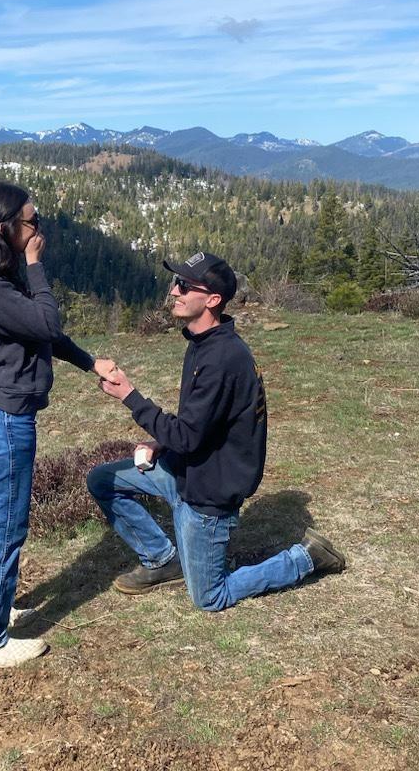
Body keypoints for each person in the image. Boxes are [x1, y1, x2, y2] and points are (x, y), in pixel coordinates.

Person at [87, 251, 345, 611]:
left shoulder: (223, 358)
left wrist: (129, 396)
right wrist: (162, 442)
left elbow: (188, 436)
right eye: (176, 282)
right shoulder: (203, 342)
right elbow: (200, 424)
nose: (174, 291)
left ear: (212, 300)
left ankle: (307, 557)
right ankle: (163, 560)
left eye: (184, 286)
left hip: (209, 493)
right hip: (187, 469)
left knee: (210, 597)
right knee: (103, 480)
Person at [0, 182, 119, 669]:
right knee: (3, 528)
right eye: (32, 222)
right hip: (2, 417)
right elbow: (46, 322)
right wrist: (35, 265)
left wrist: (90, 362)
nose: (39, 230)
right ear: (4, 228)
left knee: (2, 523)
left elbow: (38, 333)